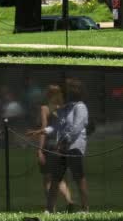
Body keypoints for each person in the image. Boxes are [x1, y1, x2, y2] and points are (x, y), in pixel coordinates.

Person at [29, 78, 89, 213]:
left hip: (74, 147)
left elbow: (76, 128)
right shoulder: (64, 108)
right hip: (61, 148)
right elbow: (56, 127)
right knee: (56, 178)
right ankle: (49, 209)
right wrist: (40, 131)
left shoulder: (80, 107)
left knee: (79, 177)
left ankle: (85, 208)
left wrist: (63, 141)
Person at [37, 85, 74, 211]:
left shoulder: (45, 108)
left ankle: (51, 208)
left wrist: (40, 150)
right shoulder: (65, 108)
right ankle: (69, 200)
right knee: (59, 178)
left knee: (48, 179)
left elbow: (44, 129)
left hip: (50, 146)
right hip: (63, 146)